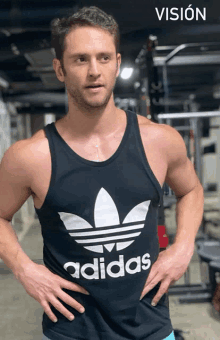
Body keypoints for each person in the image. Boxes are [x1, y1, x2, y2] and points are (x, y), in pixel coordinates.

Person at [0, 6, 204, 340]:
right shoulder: (30, 156)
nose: (94, 71)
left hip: (151, 328)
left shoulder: (159, 140)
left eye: (104, 58)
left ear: (117, 62)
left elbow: (192, 191)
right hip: (73, 331)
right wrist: (25, 269)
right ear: (59, 69)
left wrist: (183, 247)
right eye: (80, 59)